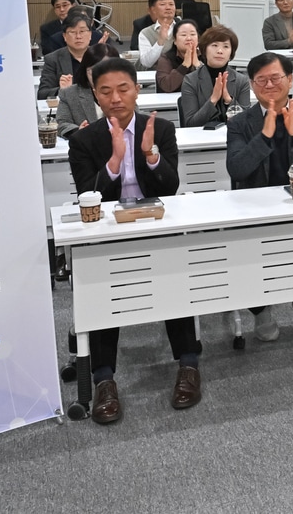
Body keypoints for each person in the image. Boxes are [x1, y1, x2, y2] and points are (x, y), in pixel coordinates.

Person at [67, 57, 197, 422]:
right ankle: (104, 378)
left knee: (175, 278)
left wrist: (150, 154)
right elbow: (86, 196)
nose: (116, 98)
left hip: (155, 220)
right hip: (108, 229)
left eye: (123, 89)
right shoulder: (83, 139)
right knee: (104, 290)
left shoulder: (161, 128)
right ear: (96, 95)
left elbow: (170, 187)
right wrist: (113, 162)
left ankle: (188, 364)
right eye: (106, 91)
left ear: (137, 90)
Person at [226, 52, 293, 339]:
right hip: (255, 205)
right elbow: (237, 169)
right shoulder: (240, 123)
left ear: (290, 80)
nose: (269, 85)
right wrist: (264, 136)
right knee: (251, 254)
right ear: (251, 85)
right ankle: (261, 311)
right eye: (261, 80)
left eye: (276, 78)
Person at [179, 24, 251, 128]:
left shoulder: (241, 81)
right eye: (214, 45)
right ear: (204, 50)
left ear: (231, 53)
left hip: (234, 138)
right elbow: (190, 123)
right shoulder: (191, 80)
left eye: (226, 46)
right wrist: (213, 99)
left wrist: (228, 100)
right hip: (201, 140)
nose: (220, 51)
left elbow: (247, 122)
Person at [56, 42, 119, 138]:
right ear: (85, 71)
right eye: (93, 70)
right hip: (87, 147)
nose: (99, 76)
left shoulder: (123, 92)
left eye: (105, 70)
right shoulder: (69, 94)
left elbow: (133, 117)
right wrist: (79, 131)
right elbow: (62, 124)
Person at [38, 12, 96, 99]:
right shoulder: (53, 59)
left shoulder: (100, 56)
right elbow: (42, 94)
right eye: (72, 32)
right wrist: (61, 90)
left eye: (82, 31)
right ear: (64, 36)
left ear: (90, 34)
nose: (78, 36)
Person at [155, 19, 202, 93]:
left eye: (192, 34)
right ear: (175, 40)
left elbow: (211, 85)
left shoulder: (206, 56)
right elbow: (166, 86)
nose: (189, 38)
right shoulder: (166, 58)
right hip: (171, 102)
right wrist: (184, 66)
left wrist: (198, 66)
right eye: (183, 35)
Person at [137, 0, 180, 70]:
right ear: (153, 9)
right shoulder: (145, 33)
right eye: (163, 4)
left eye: (171, 4)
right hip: (155, 76)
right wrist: (160, 42)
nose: (168, 7)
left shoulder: (184, 28)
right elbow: (147, 63)